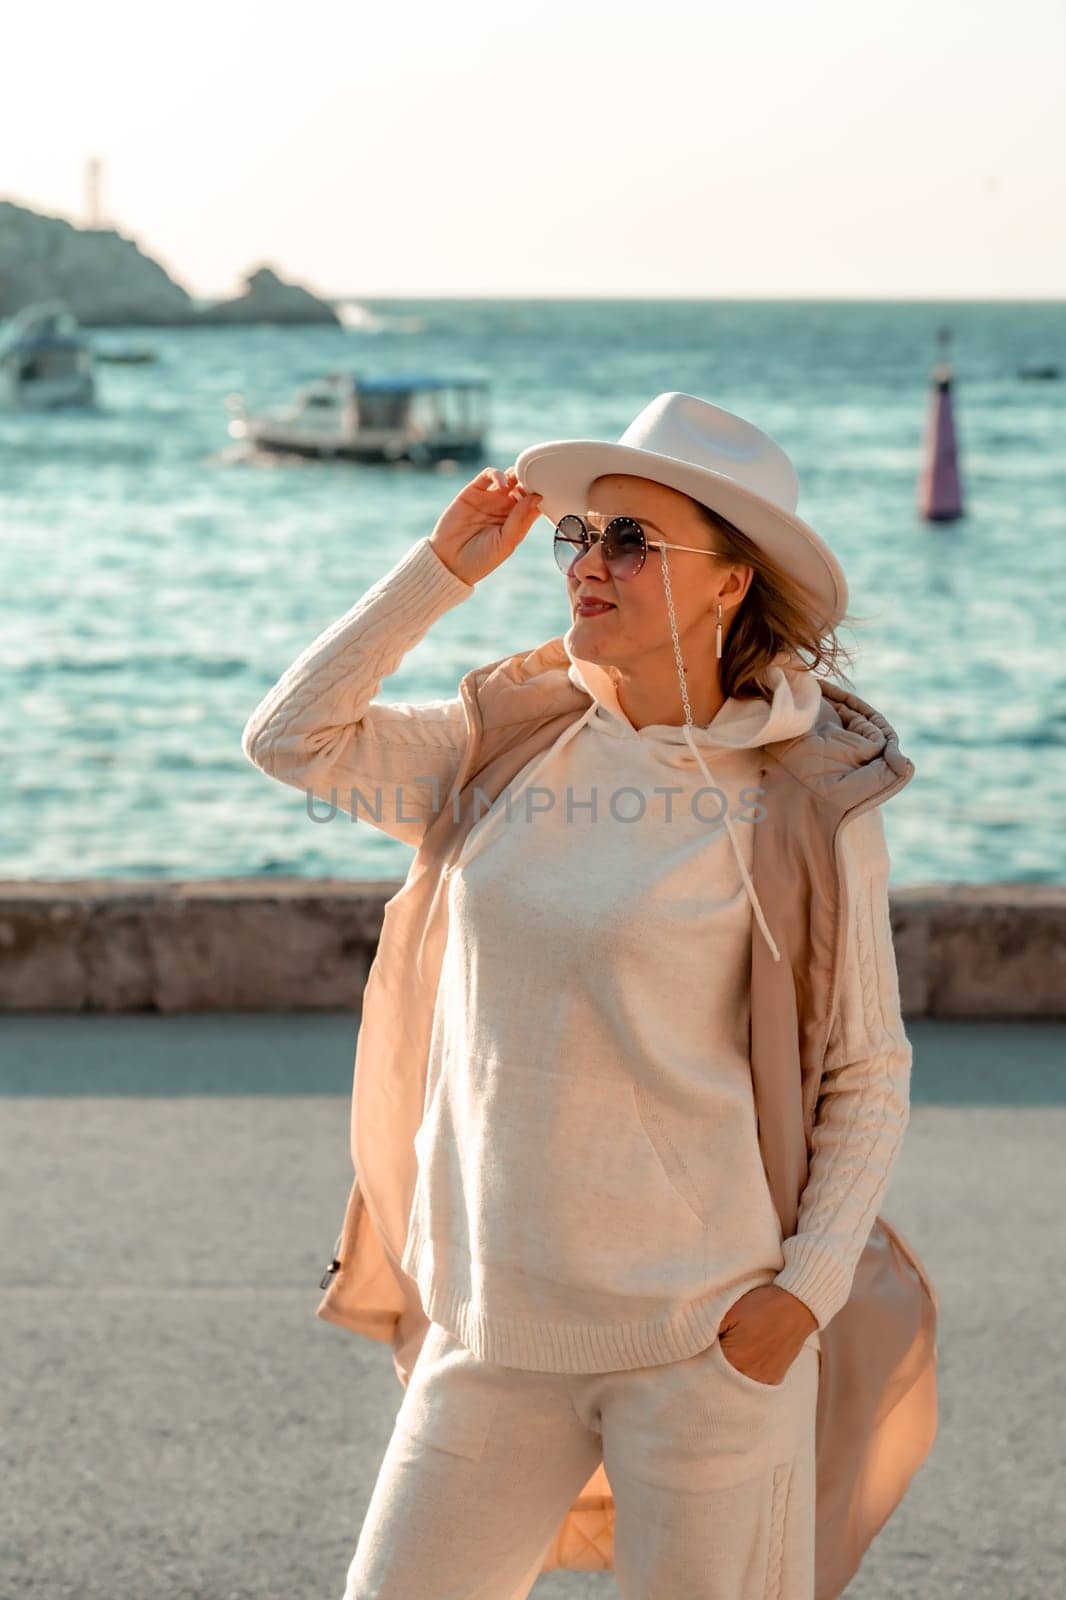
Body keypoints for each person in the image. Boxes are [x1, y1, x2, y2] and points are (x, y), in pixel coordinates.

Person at [241, 393, 919, 1600]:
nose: (585, 562)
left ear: (730, 586)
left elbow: (866, 1065)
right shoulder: (504, 743)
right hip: (490, 1326)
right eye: (582, 535)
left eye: (630, 541)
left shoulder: (802, 800)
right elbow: (293, 740)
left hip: (703, 1345)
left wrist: (794, 1302)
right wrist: (435, 576)